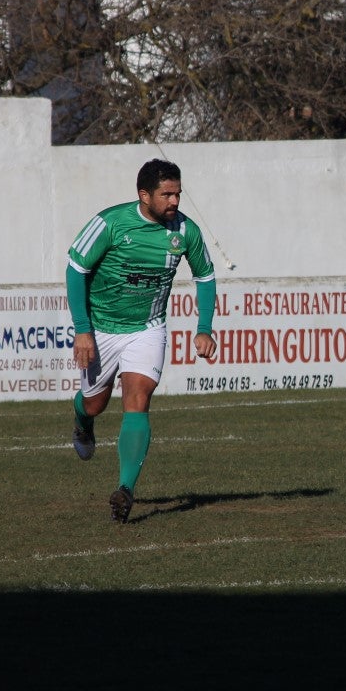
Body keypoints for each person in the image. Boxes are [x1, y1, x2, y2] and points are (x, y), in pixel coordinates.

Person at [66, 158, 218, 523]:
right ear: (144, 194)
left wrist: (205, 327)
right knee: (95, 404)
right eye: (166, 194)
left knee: (138, 397)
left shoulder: (186, 232)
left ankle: (125, 489)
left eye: (178, 193)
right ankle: (81, 421)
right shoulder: (110, 223)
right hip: (101, 327)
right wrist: (83, 329)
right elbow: (75, 271)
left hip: (147, 328)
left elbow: (206, 276)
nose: (174, 201)